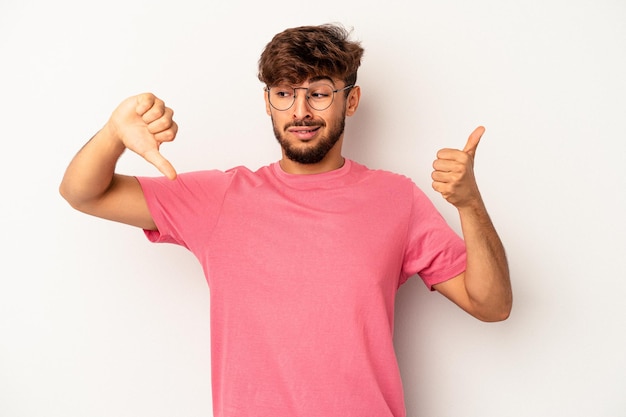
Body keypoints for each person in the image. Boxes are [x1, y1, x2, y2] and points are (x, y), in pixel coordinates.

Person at [60, 23, 511, 417]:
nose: (300, 111)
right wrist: (113, 132)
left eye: (317, 93)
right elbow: (83, 193)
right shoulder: (218, 199)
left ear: (350, 101)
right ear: (268, 101)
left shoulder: (397, 199)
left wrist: (470, 204)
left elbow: (491, 305)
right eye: (284, 93)